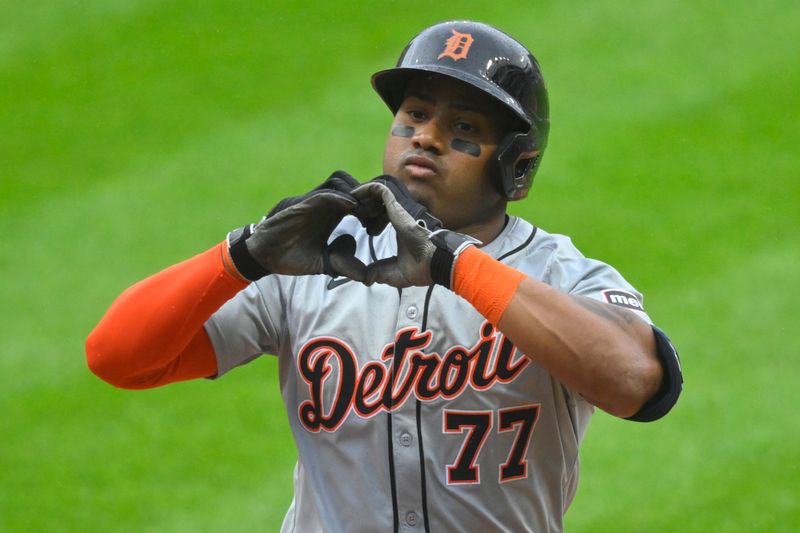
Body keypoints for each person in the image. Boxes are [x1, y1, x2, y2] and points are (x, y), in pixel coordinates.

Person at [86, 20, 682, 532]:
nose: (425, 135)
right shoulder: (312, 257)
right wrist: (239, 257)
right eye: (415, 115)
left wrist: (453, 265)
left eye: (463, 129)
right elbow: (118, 357)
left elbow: (634, 382)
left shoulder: (555, 274)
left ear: (514, 165)